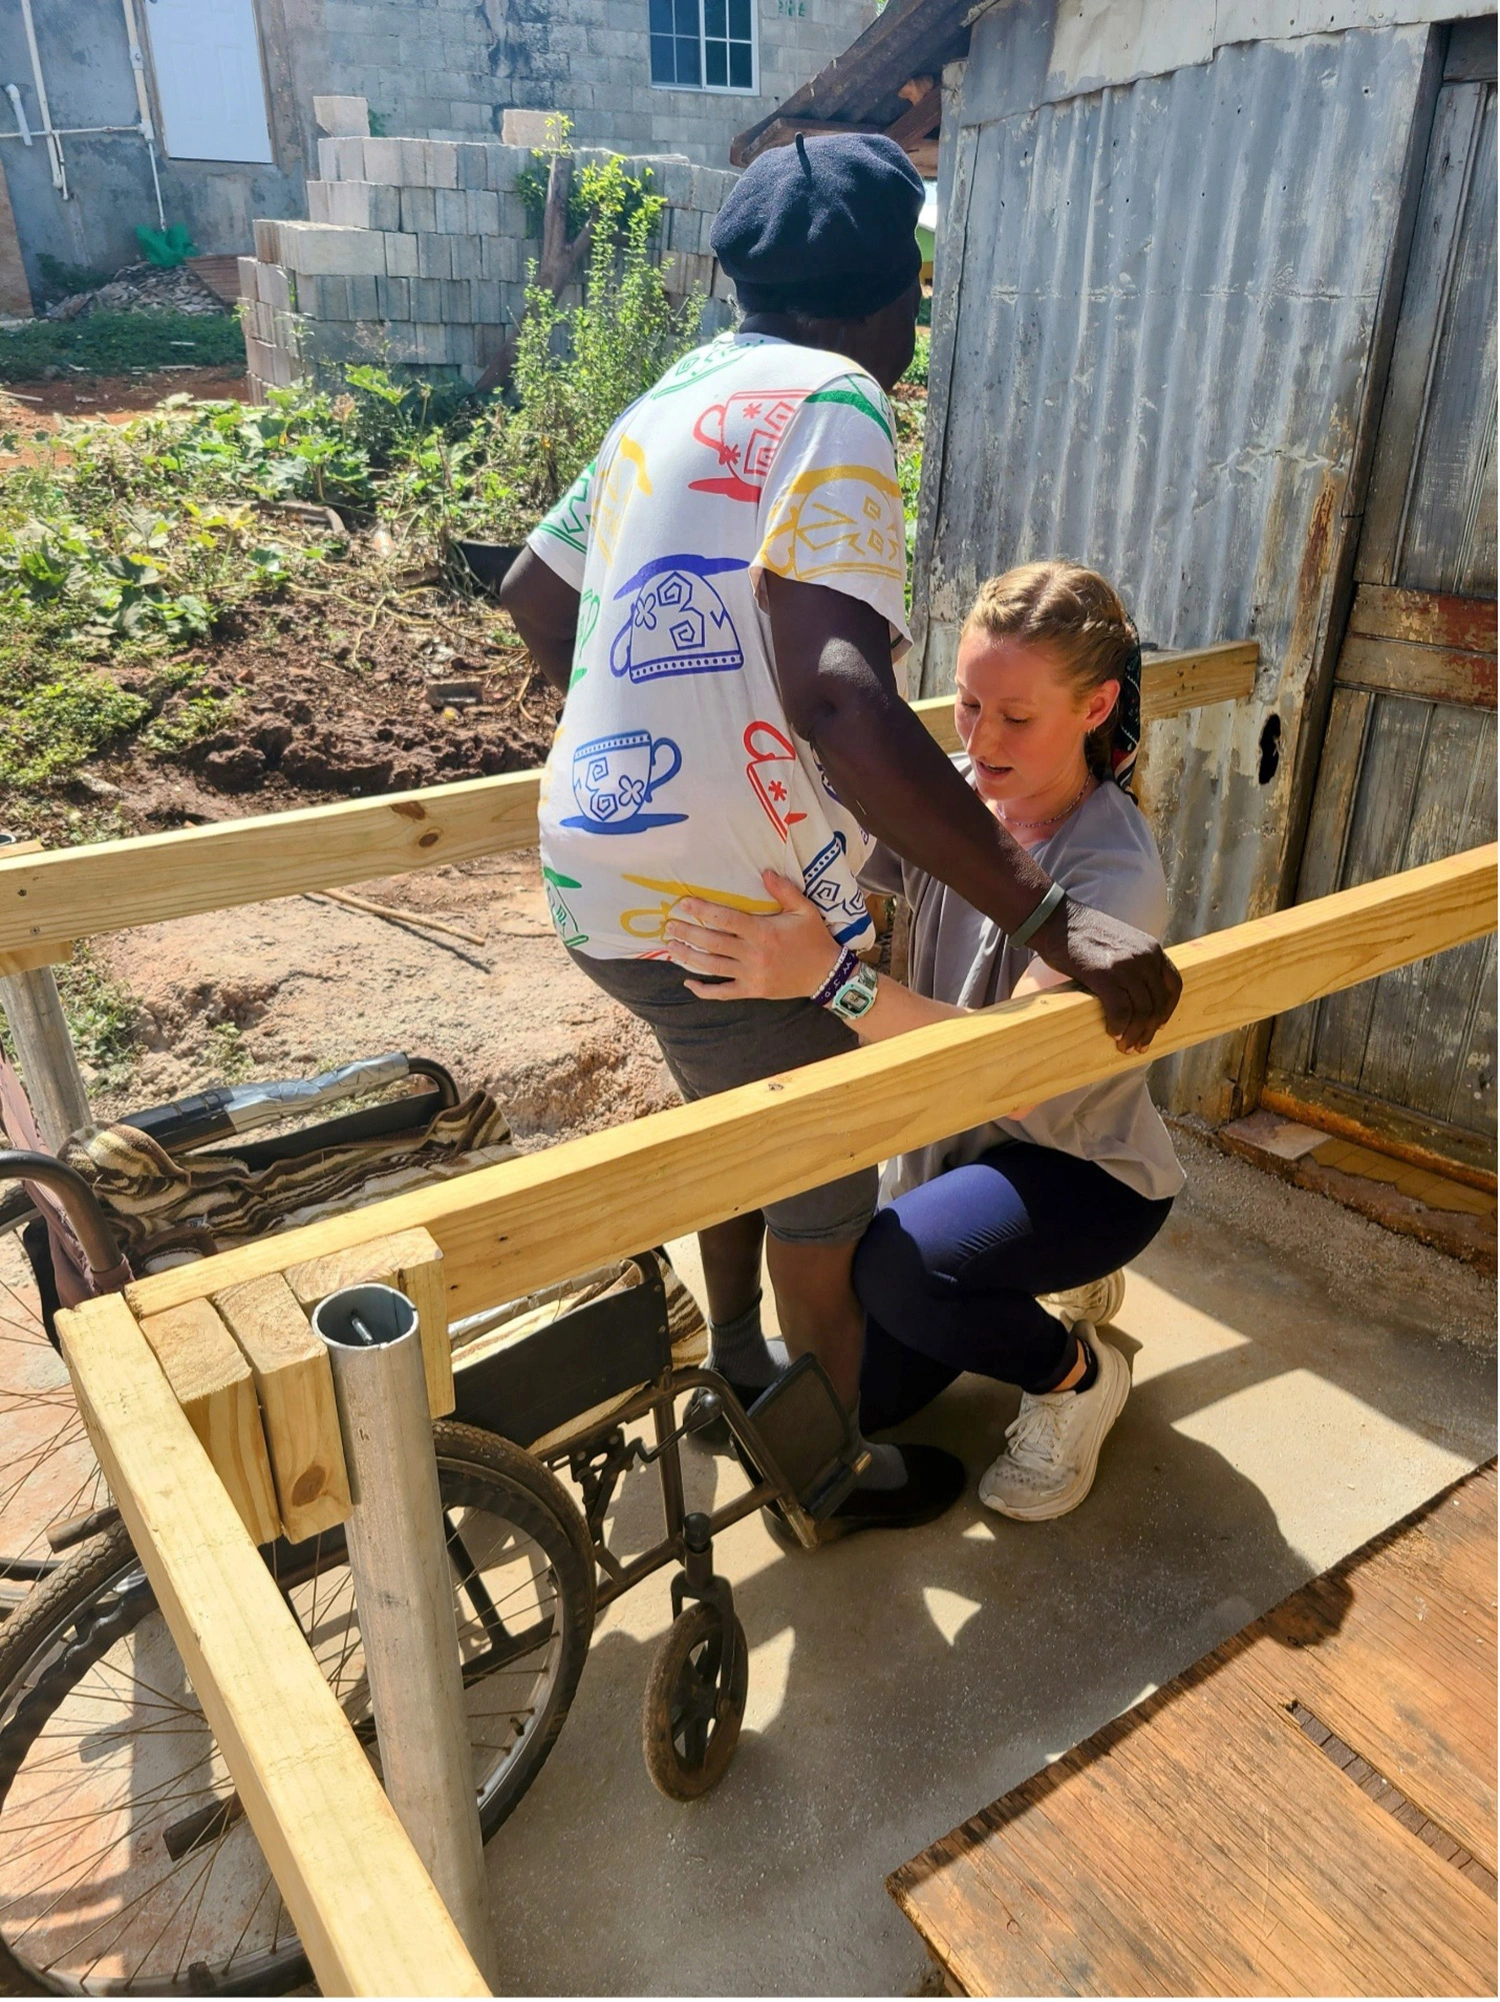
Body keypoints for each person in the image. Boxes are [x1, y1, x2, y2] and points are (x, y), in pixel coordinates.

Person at [500, 132, 1180, 1538]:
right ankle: (827, 1467)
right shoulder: (840, 399)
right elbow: (839, 696)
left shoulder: (663, 402)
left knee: (739, 1121)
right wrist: (1048, 921)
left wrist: (637, 724)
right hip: (732, 881)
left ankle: (742, 1360)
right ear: (900, 297)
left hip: (594, 873)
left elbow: (530, 591)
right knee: (820, 1191)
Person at [660, 562, 1185, 1523]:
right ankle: (1017, 1277)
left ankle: (1075, 1378)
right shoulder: (958, 798)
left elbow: (1012, 1079)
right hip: (955, 1149)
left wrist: (828, 975)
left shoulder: (1113, 874)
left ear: (1096, 705)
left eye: (1015, 717)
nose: (979, 740)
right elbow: (829, 837)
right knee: (864, 1392)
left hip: (1072, 1162)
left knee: (902, 1271)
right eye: (968, 703)